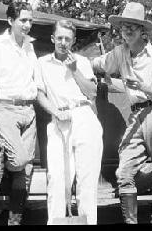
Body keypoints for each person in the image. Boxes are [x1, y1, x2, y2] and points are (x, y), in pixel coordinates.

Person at [92, 2, 152, 224]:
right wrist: (77, 63)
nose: (127, 31)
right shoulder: (120, 53)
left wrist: (141, 86)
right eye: (124, 27)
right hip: (136, 116)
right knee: (124, 172)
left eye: (132, 26)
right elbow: (101, 63)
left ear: (143, 31)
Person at [35, 19, 103, 225]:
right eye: (60, 38)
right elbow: (39, 94)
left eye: (68, 39)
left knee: (86, 182)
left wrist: (74, 70)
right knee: (56, 180)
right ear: (53, 39)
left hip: (84, 118)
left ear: (73, 41)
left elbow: (92, 93)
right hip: (58, 120)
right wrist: (55, 111)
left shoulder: (81, 62)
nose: (63, 42)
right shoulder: (42, 63)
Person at [0, 3, 38, 226]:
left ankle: (15, 220)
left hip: (29, 111)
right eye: (23, 20)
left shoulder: (30, 47)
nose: (27, 25)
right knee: (21, 160)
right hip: (5, 109)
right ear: (10, 21)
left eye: (30, 20)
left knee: (26, 170)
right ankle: (2, 165)